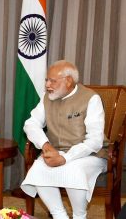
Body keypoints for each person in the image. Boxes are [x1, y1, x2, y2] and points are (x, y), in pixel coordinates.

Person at [20, 60, 108, 219]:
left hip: (92, 155)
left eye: (52, 80)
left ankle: (79, 216)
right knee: (39, 168)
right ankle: (59, 215)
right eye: (47, 80)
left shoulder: (91, 98)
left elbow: (95, 141)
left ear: (68, 81)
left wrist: (65, 158)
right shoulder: (47, 98)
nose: (47, 84)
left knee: (73, 169)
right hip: (58, 153)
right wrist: (46, 146)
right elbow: (30, 124)